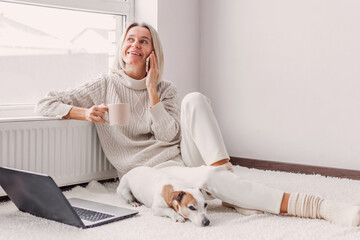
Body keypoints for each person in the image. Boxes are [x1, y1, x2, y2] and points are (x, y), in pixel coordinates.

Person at [36, 22, 360, 227]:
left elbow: (169, 135)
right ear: (122, 49)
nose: (135, 44)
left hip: (178, 156)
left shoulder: (165, 88)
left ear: (153, 52)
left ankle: (234, 179)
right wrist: (84, 114)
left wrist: (151, 92)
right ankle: (239, 186)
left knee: (194, 99)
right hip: (148, 172)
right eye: (130, 39)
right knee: (207, 177)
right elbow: (45, 102)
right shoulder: (104, 84)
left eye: (144, 41)